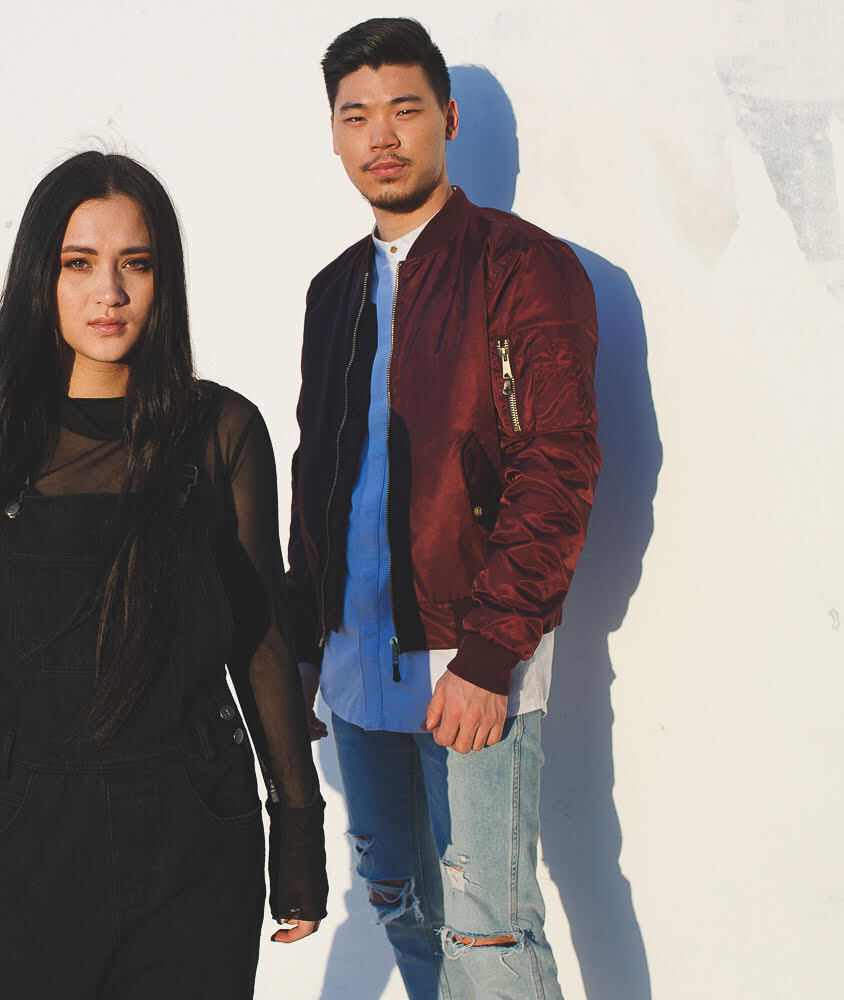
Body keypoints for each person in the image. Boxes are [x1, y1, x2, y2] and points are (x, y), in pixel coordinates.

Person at [0, 151, 328, 999]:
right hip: (24, 842)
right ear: (41, 277)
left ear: (164, 279)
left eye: (134, 264)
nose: (108, 292)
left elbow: (259, 637)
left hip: (196, 836)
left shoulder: (221, 431)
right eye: (79, 263)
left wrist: (298, 826)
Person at [286, 19, 599, 1000]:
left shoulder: (522, 266)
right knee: (402, 906)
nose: (381, 136)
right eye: (357, 116)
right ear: (334, 134)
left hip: (470, 662)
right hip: (356, 668)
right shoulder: (333, 291)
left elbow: (557, 465)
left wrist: (491, 653)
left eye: (405, 109)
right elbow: (316, 475)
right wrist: (302, 646)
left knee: (488, 932)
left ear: (448, 120)